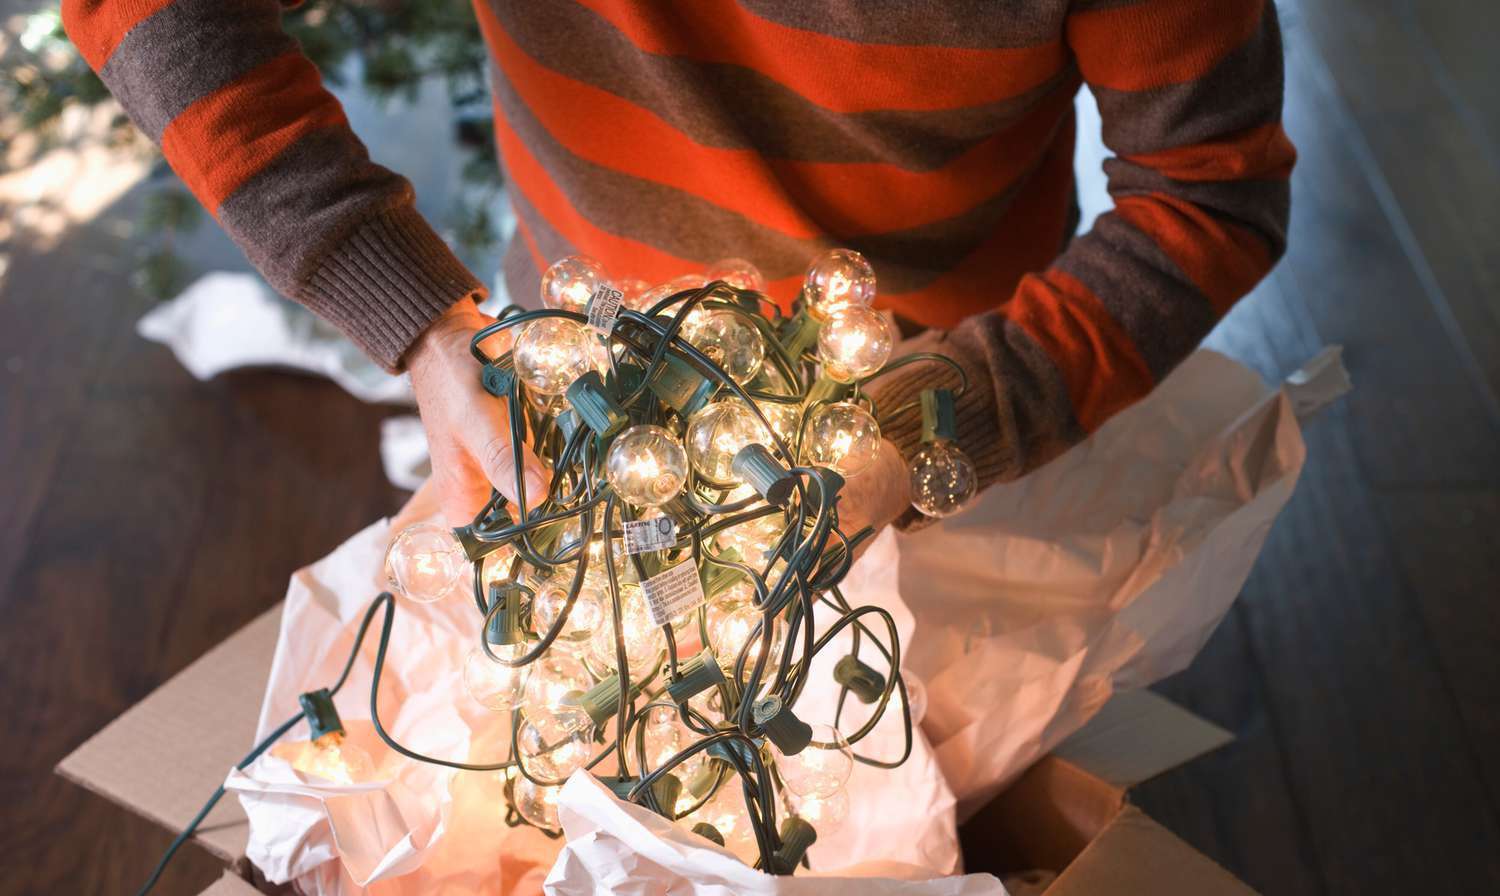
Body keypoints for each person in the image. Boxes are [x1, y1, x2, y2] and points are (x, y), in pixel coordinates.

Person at [62, 0, 1294, 537]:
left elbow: (1208, 189)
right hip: (565, 401)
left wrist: (940, 420)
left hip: (955, 423)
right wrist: (424, 324)